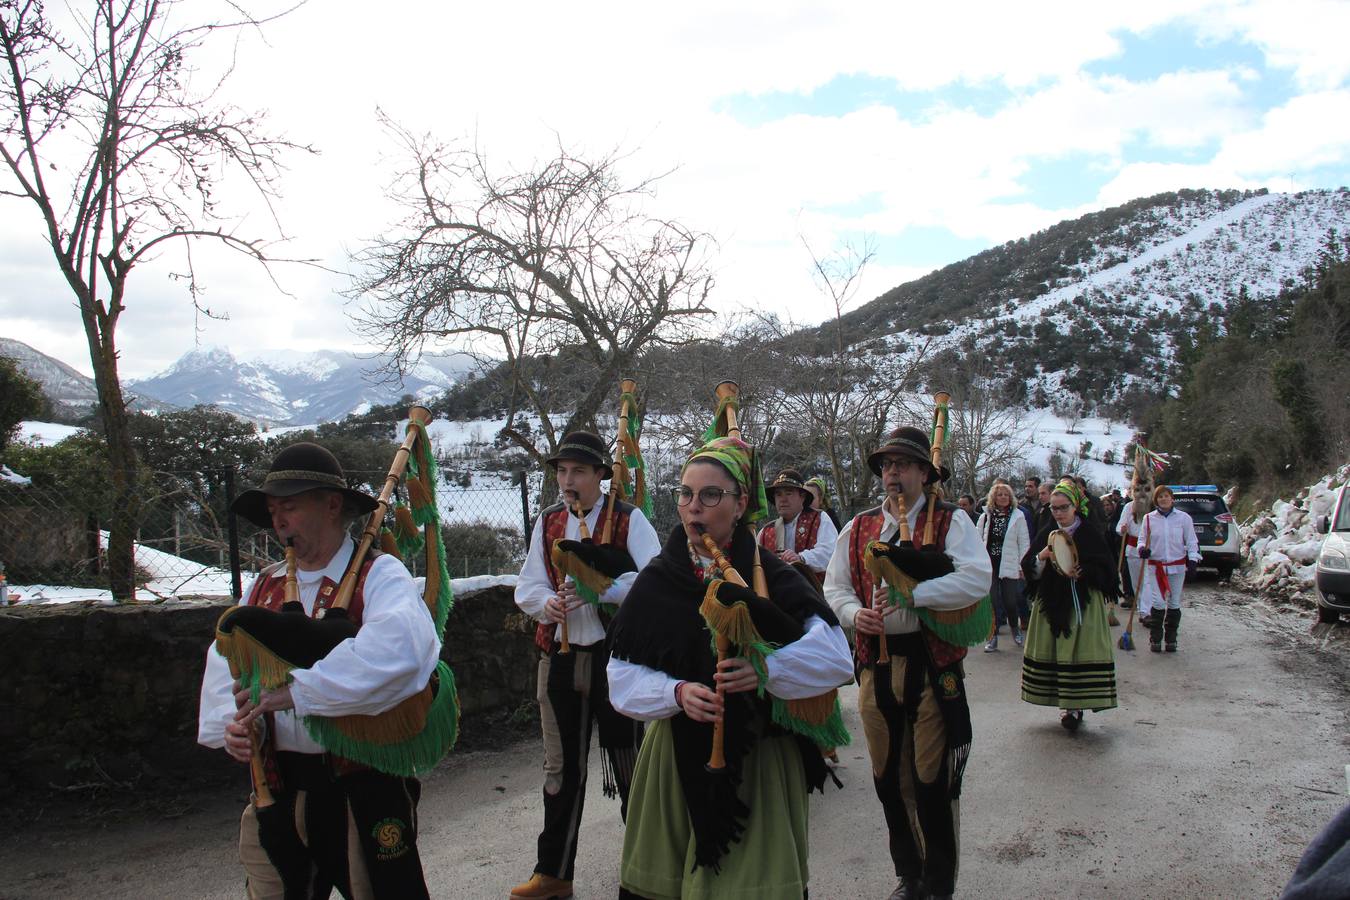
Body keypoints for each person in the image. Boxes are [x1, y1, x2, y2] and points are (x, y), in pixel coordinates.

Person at [607, 435, 854, 899]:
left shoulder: (773, 575)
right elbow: (620, 678)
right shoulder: (660, 579)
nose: (693, 507)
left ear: (741, 504)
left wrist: (767, 670)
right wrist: (675, 693)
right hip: (675, 755)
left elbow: (838, 658)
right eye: (685, 494)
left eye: (710, 495)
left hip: (760, 757)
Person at [197, 442, 440, 898]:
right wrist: (229, 725)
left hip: (360, 788)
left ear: (332, 506)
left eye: (288, 506)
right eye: (272, 509)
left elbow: (402, 651)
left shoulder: (379, 574)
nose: (278, 521)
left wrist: (299, 691)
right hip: (276, 788)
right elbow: (225, 658)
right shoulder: (264, 585)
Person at [823, 426, 991, 900]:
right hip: (876, 663)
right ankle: (909, 874)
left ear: (923, 472)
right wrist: (857, 615)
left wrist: (914, 595)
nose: (892, 472)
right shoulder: (858, 528)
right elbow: (834, 588)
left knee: (929, 778)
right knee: (887, 779)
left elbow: (977, 578)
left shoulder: (950, 522)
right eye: (886, 465)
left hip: (930, 662)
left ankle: (939, 882)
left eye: (902, 464)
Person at [511, 431, 662, 900]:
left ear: (602, 475)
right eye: (561, 471)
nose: (567, 481)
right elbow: (528, 585)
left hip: (616, 659)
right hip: (559, 658)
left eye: (578, 471)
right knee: (560, 769)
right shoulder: (549, 521)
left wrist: (603, 589)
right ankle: (554, 872)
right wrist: (545, 607)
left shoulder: (628, 519)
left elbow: (655, 581)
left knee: (629, 763)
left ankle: (648, 872)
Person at [1021, 478, 1118, 732]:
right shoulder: (1048, 531)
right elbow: (1028, 565)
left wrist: (1084, 571)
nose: (1059, 513)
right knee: (1058, 652)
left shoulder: (1089, 532)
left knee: (1078, 652)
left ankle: (1076, 704)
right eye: (1054, 508)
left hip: (1084, 603)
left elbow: (1107, 568)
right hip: (1054, 601)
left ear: (1075, 506)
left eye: (1064, 508)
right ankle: (1066, 705)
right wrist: (1041, 558)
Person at [1137, 484, 1201, 653]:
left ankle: (1171, 639)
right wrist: (1142, 549)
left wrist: (1193, 560)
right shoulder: (1149, 519)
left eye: (1166, 496)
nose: (1163, 499)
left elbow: (1191, 541)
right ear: (1155, 500)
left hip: (1177, 567)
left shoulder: (1184, 518)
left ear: (1172, 498)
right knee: (1158, 602)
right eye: (1160, 496)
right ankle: (1155, 638)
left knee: (1173, 603)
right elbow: (1142, 540)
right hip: (1155, 566)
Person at [758, 467, 839, 586]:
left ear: (802, 496)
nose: (783, 499)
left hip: (815, 597)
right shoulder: (766, 531)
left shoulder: (820, 518)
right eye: (778, 494)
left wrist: (801, 558)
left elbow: (830, 553)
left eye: (789, 493)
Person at [977, 479, 1031, 652]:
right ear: (993, 497)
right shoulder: (985, 516)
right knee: (991, 601)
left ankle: (1015, 628)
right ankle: (992, 637)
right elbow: (977, 541)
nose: (1003, 497)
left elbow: (1024, 542)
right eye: (999, 494)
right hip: (990, 564)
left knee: (1010, 601)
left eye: (1006, 494)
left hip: (1009, 563)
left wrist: (1023, 565)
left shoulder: (1018, 516)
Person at [1116, 490, 1149, 614]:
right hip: (1133, 549)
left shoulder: (1152, 506)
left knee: (1148, 581)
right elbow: (1119, 527)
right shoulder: (1129, 507)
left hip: (1150, 550)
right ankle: (1142, 609)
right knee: (1137, 583)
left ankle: (1148, 611)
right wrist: (1122, 529)